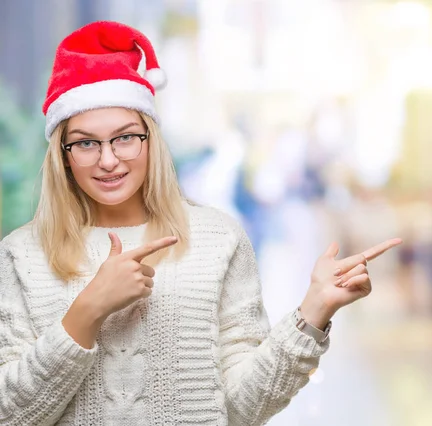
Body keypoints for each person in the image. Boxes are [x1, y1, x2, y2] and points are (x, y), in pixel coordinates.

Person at [0, 21, 401, 426]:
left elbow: (242, 408)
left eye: (125, 137)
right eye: (86, 142)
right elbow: (10, 415)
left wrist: (313, 312)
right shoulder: (21, 255)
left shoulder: (217, 239)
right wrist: (88, 309)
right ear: (64, 155)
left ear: (150, 139)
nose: (108, 160)